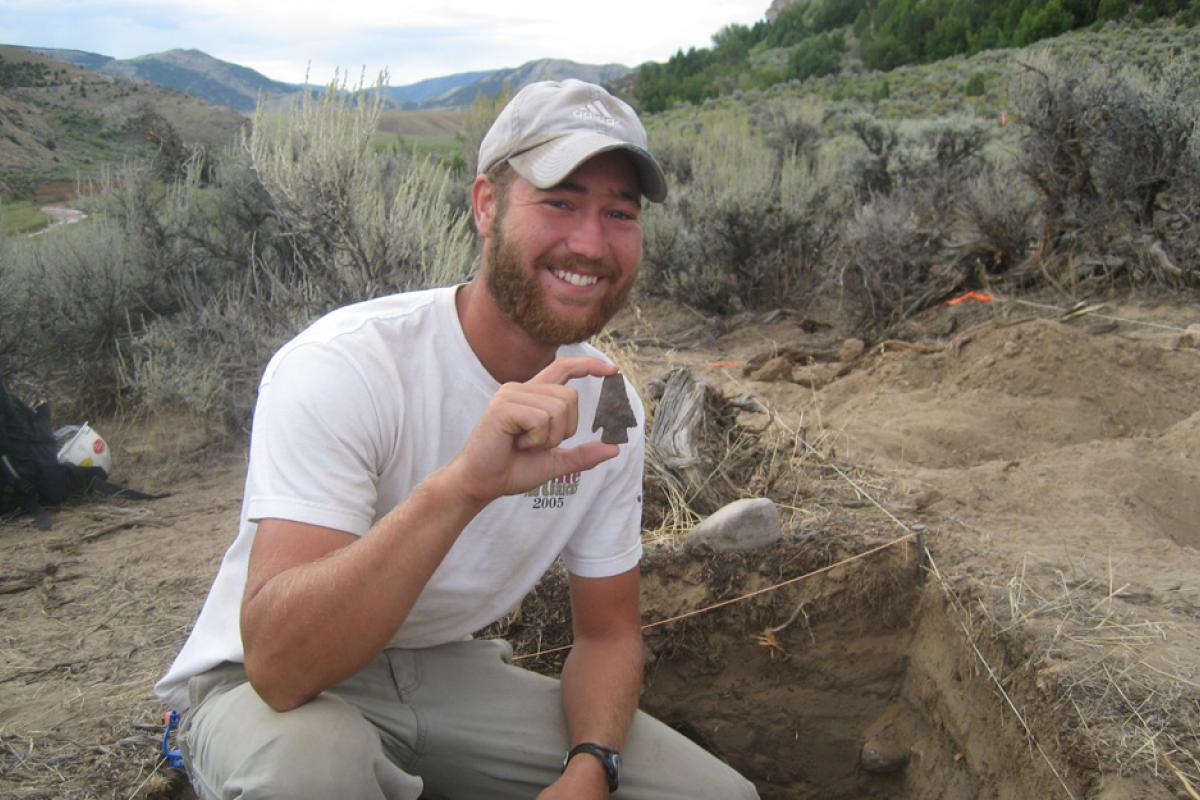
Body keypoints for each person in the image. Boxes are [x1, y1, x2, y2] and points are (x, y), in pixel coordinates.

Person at [155, 78, 759, 800]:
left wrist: (590, 768)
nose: (591, 243)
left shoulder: (607, 404)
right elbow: (281, 666)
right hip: (264, 684)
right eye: (560, 202)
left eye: (619, 213)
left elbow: (607, 634)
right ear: (486, 205)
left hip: (444, 673)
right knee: (311, 772)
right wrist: (463, 487)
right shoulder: (347, 364)